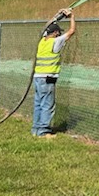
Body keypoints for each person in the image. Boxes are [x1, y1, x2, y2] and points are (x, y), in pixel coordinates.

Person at [31, 8, 76, 137]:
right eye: (58, 32)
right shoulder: (55, 42)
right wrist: (72, 17)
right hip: (48, 78)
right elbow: (71, 31)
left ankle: (36, 129)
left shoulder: (42, 42)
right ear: (55, 32)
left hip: (38, 77)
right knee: (47, 105)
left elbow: (47, 25)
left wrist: (58, 15)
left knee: (38, 103)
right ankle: (44, 131)